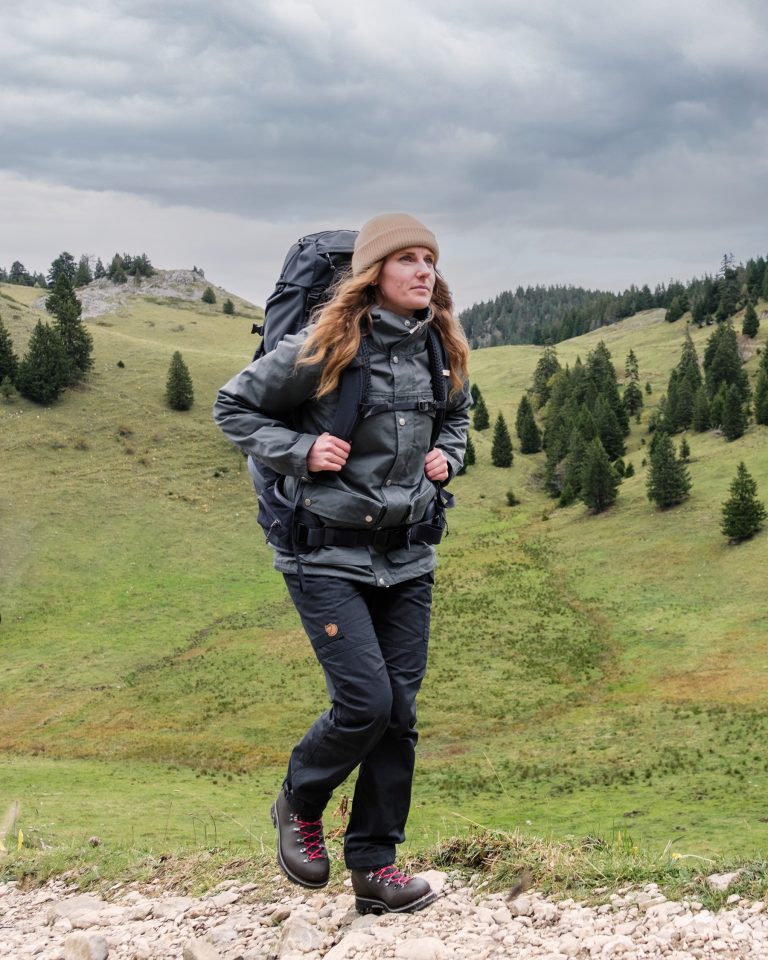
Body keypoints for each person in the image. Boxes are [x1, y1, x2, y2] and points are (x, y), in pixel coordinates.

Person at [213, 213, 470, 914]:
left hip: (407, 554)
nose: (425, 271)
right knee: (365, 703)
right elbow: (233, 408)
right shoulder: (323, 345)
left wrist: (450, 456)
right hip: (325, 553)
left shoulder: (439, 345)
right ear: (372, 273)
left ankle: (375, 868)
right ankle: (299, 801)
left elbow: (458, 415)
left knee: (399, 715)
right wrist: (301, 452)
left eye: (430, 259)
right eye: (408, 259)